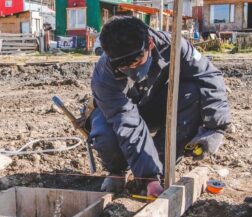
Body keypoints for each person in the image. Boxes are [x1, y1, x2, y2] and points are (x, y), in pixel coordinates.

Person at [88, 16, 231, 196]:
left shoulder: (174, 46)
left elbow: (208, 76)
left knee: (192, 92)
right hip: (116, 113)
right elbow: (126, 121)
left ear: (150, 44)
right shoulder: (104, 77)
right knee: (104, 135)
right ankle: (118, 170)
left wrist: (215, 128)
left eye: (137, 63)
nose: (133, 71)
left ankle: (161, 167)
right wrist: (148, 176)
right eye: (125, 67)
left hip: (153, 105)